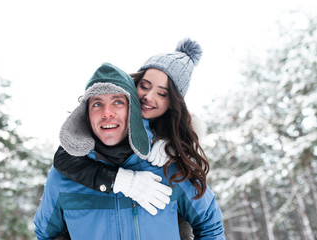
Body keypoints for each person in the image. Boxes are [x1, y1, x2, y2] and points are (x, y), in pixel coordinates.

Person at [34, 62, 225, 239]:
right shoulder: (62, 177)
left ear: (133, 110)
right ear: (85, 114)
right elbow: (46, 234)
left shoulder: (168, 165)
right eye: (97, 104)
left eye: (118, 102)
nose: (107, 112)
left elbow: (210, 225)